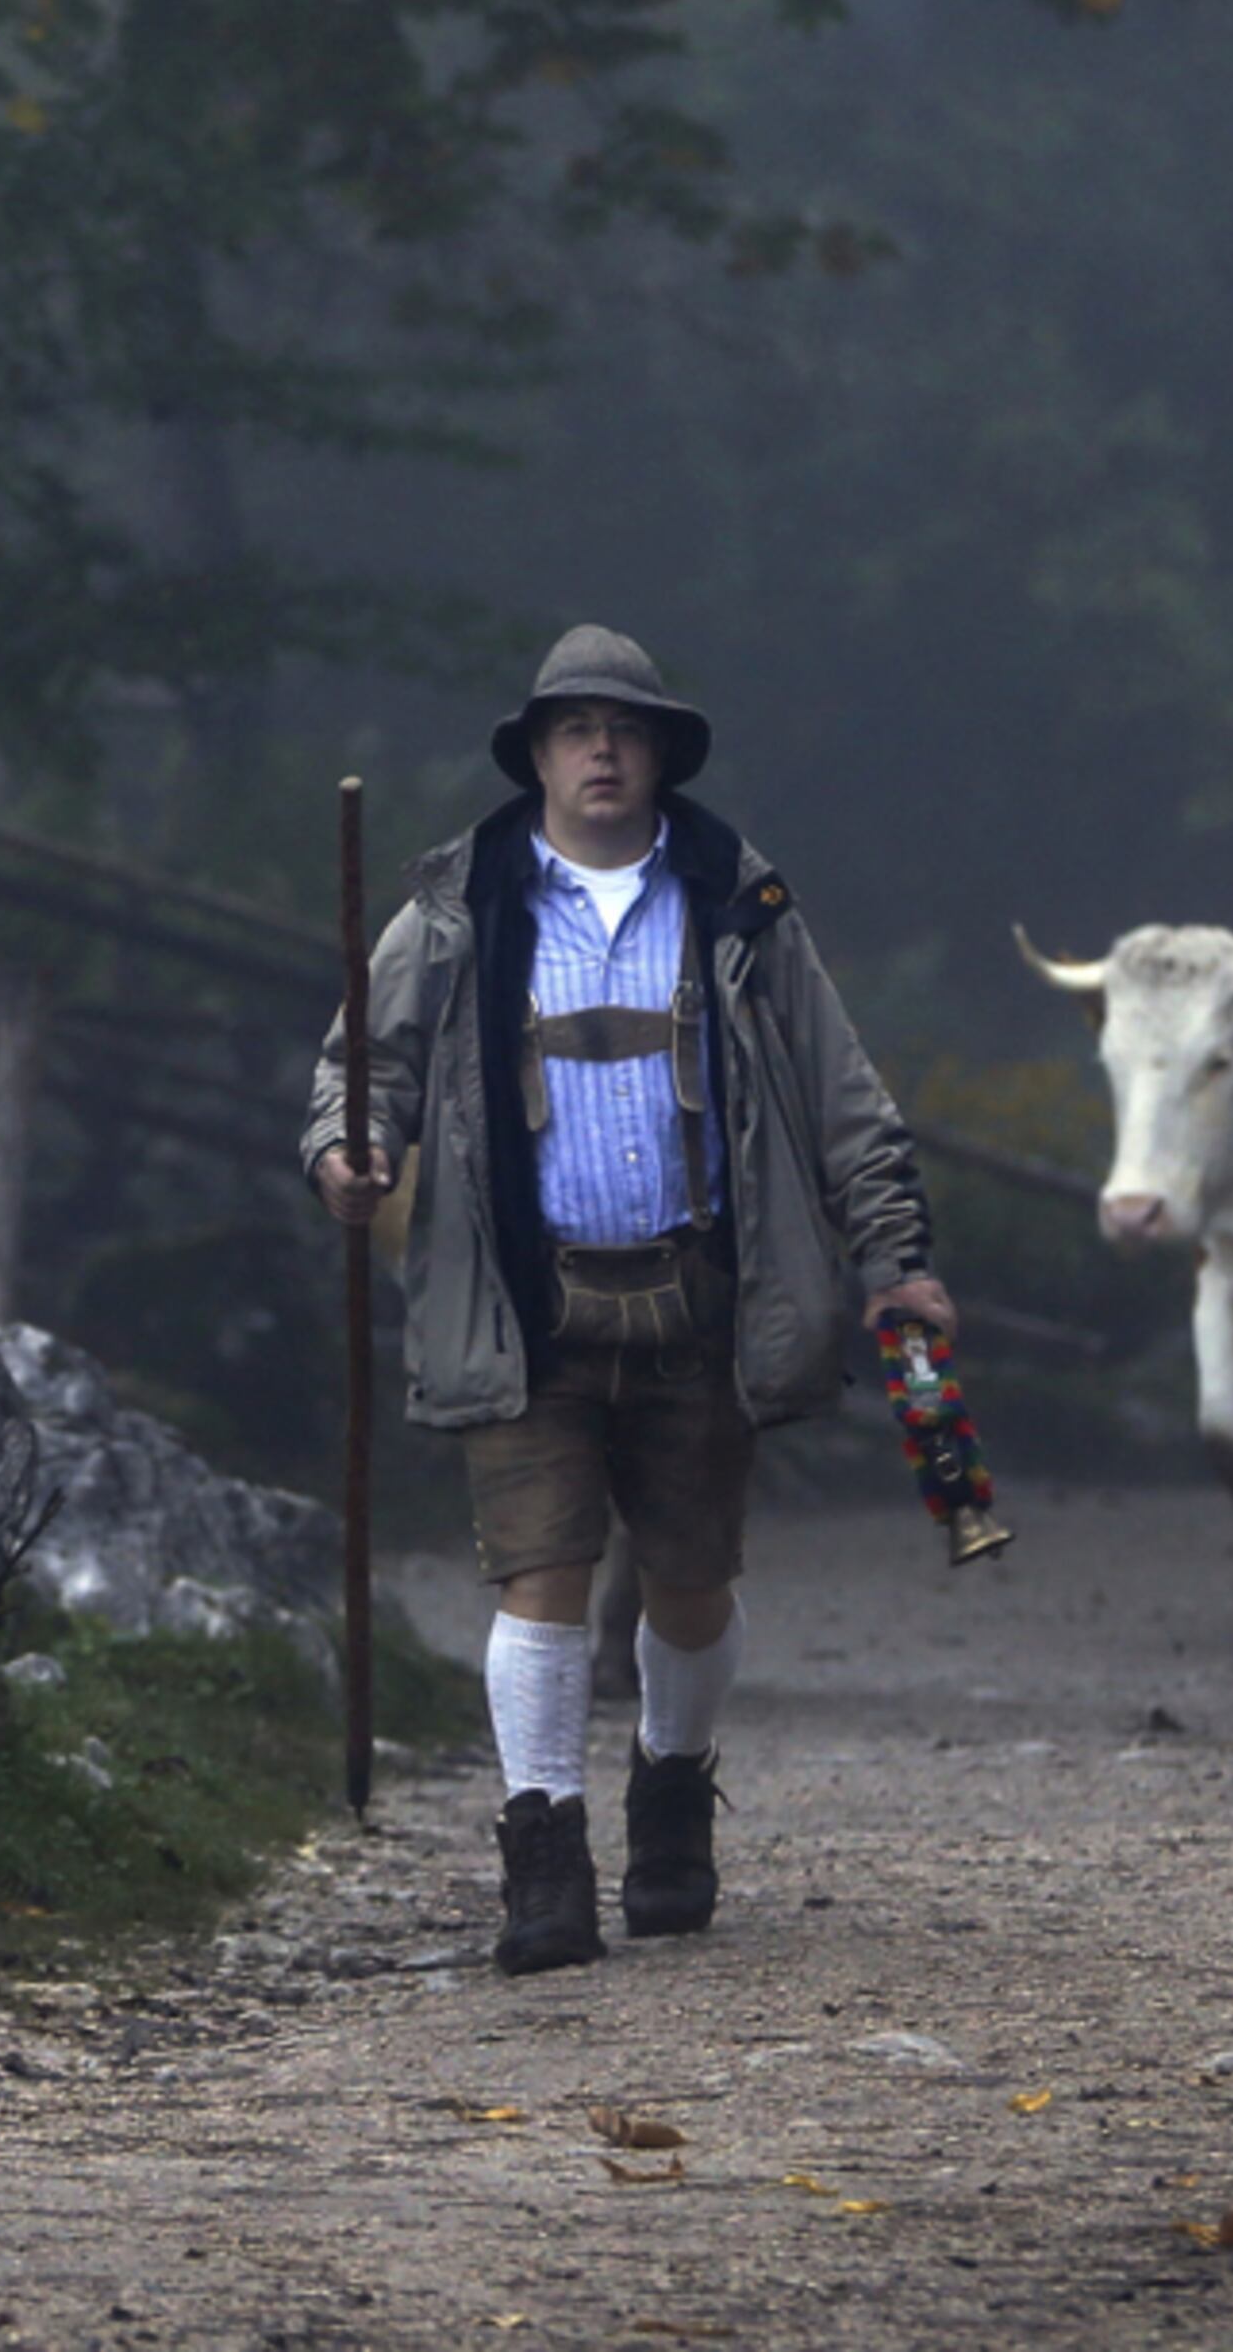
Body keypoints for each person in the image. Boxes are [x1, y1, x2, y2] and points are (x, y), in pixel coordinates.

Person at [304, 626, 951, 1974]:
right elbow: (365, 1067)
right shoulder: (457, 905)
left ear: (659, 753)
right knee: (538, 1575)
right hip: (524, 1304)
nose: (601, 749)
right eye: (575, 728)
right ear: (536, 754)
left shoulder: (737, 901)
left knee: (690, 1583)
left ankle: (672, 1791)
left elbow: (843, 1095)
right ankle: (542, 1852)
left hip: (701, 1297)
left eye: (626, 728)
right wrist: (348, 1149)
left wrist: (896, 1253)